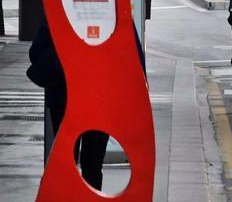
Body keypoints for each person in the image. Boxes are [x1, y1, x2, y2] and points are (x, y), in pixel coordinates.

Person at [26, 18, 146, 191]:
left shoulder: (61, 10)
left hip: (64, 96)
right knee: (93, 164)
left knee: (67, 160)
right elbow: (134, 56)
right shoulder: (114, 12)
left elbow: (35, 53)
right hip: (101, 99)